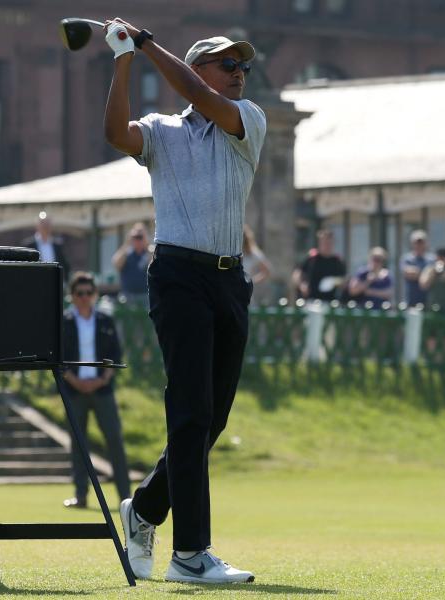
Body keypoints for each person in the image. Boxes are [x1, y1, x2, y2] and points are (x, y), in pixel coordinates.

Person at [103, 17, 264, 584]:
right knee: (191, 412)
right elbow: (117, 135)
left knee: (211, 419)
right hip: (177, 276)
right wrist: (124, 57)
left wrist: (144, 42)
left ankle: (144, 507)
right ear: (198, 67)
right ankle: (190, 554)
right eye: (228, 64)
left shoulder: (249, 119)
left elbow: (195, 94)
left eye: (243, 65)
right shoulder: (164, 130)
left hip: (228, 280)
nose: (240, 73)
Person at [59, 272, 131, 509]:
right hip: (75, 389)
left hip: (102, 389)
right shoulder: (65, 321)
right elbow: (59, 359)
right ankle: (81, 495)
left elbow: (116, 355)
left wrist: (102, 379)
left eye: (89, 293)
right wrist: (75, 380)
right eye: (80, 293)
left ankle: (126, 499)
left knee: (114, 439)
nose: (84, 297)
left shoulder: (105, 320)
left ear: (95, 294)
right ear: (72, 295)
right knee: (78, 444)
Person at [293, 229, 346, 302]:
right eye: (324, 243)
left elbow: (344, 280)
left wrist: (334, 282)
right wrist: (302, 285)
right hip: (310, 301)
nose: (327, 245)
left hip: (330, 302)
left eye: (329, 243)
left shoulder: (337, 261)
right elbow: (297, 273)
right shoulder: (312, 258)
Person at [111, 223, 151, 306]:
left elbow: (155, 263)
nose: (138, 239)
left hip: (146, 296)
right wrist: (127, 243)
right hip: (127, 296)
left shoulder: (150, 252)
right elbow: (116, 264)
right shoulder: (126, 253)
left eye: (140, 237)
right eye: (136, 237)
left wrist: (147, 243)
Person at [24, 211, 70, 277]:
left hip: (54, 281)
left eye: (47, 224)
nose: (45, 227)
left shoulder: (58, 245)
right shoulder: (29, 245)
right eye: (43, 223)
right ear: (37, 225)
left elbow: (65, 265)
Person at [419, 247, 445, 313]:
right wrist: (433, 274)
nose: (442, 260)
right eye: (440, 257)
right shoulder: (430, 269)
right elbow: (423, 286)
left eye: (444, 257)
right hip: (432, 309)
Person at [401, 229, 433, 307]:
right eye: (416, 243)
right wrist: (426, 274)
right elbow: (408, 273)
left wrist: (418, 273)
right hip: (411, 302)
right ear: (412, 244)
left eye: (421, 243)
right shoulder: (407, 258)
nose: (419, 245)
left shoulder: (432, 259)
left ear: (426, 243)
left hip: (429, 303)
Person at [241, 224, 271, 297]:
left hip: (245, 291)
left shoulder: (253, 253)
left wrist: (251, 281)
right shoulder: (232, 252)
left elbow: (267, 271)